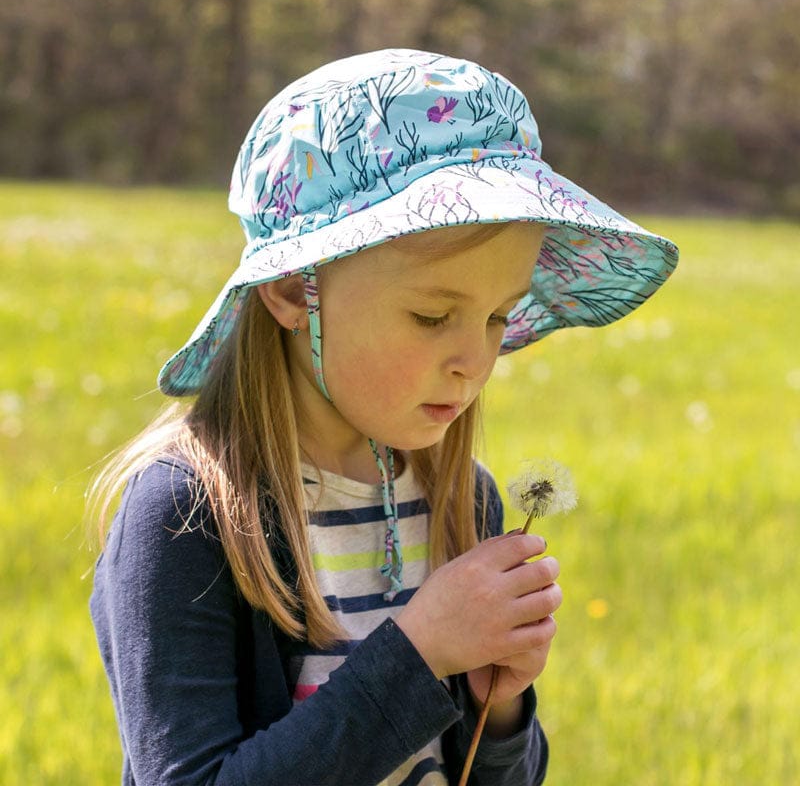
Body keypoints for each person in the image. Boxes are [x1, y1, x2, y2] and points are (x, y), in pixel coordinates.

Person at [89, 49, 678, 785]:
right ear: (290, 291)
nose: (476, 361)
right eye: (432, 315)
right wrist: (420, 654)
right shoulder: (190, 517)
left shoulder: (463, 499)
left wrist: (500, 707)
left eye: (498, 317)